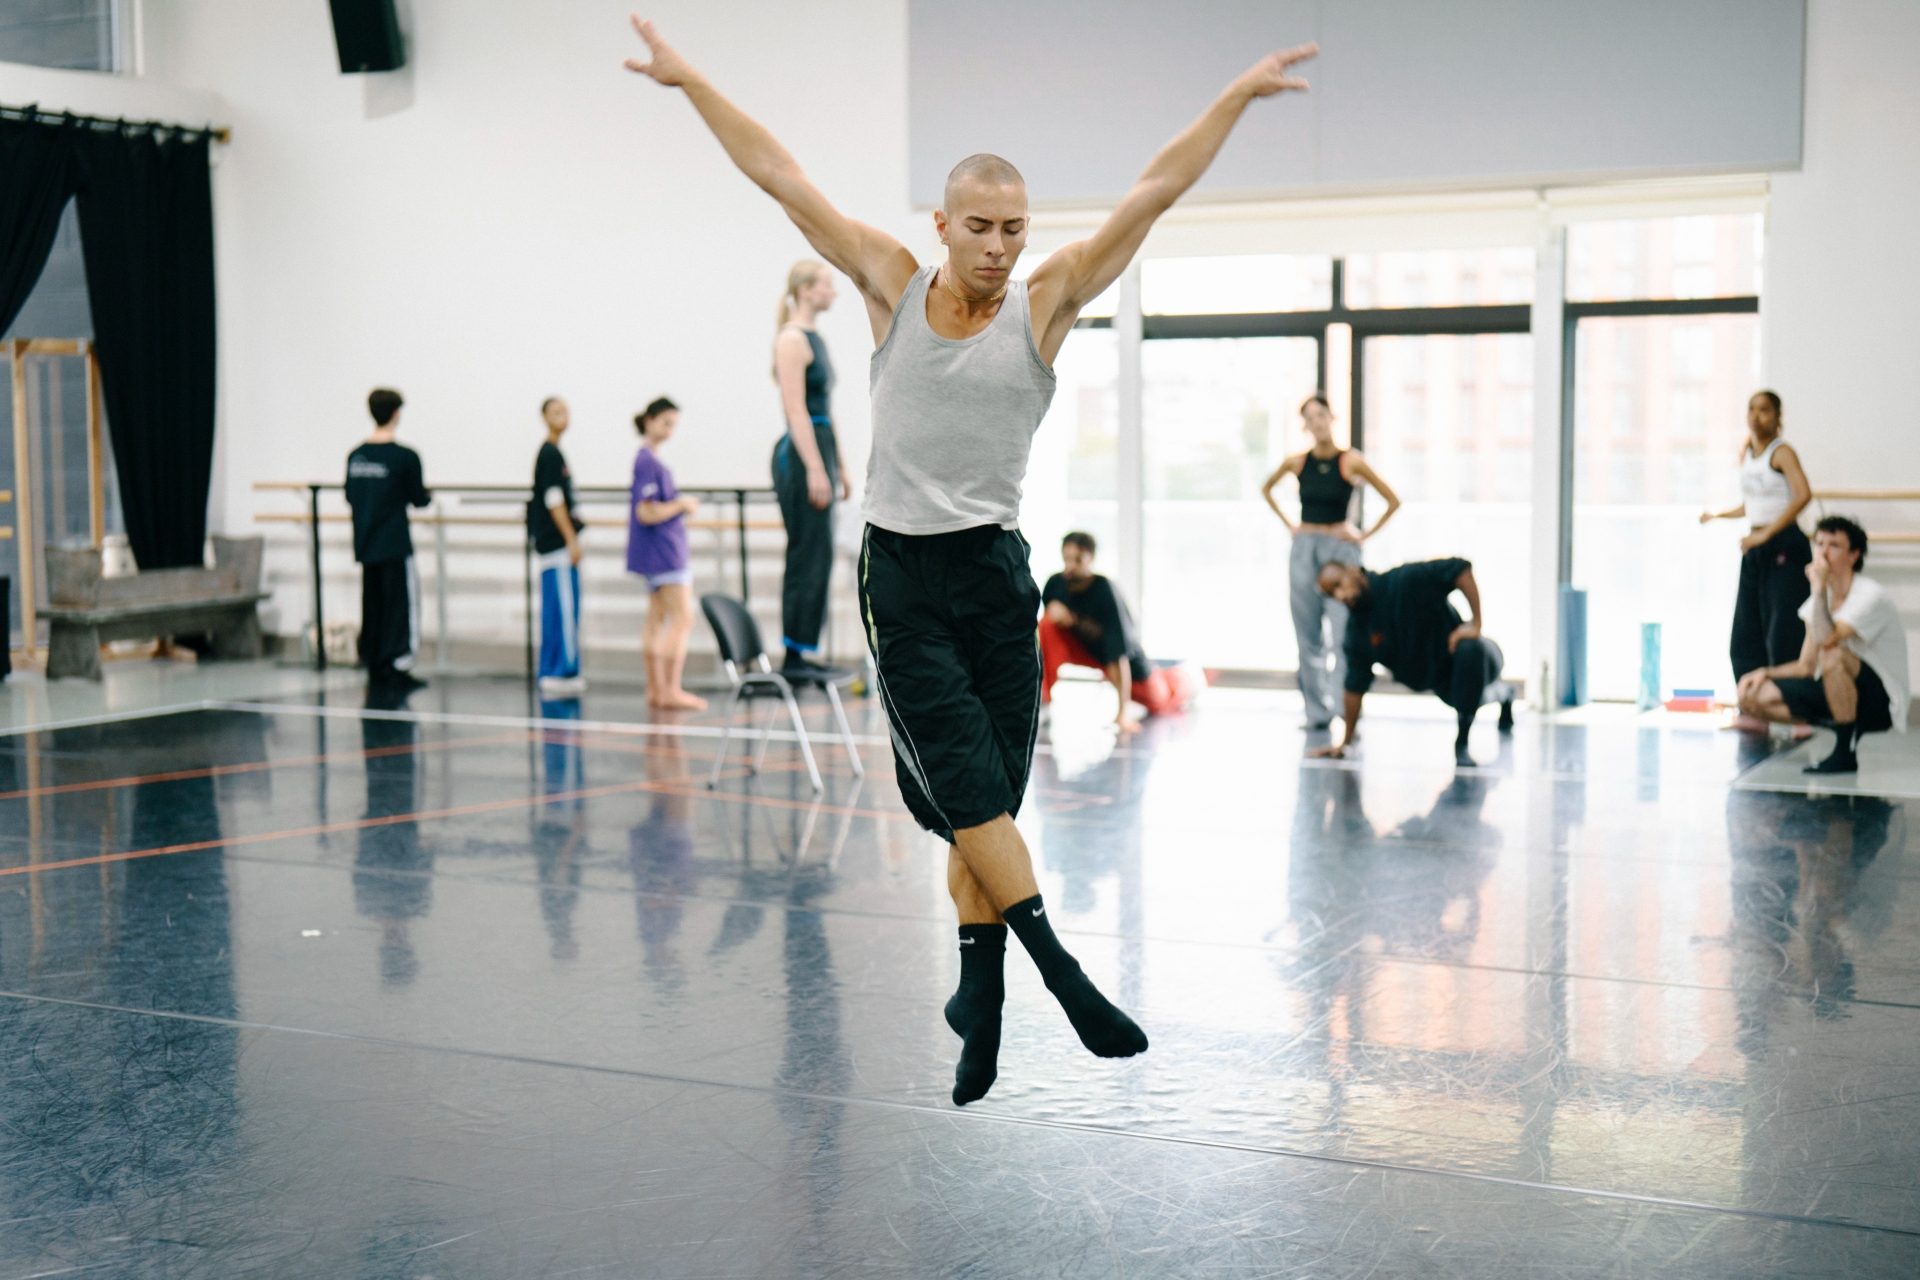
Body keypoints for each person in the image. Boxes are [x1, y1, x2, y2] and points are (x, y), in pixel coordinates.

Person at [627, 17, 1317, 1104]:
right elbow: (781, 175)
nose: (999, 246)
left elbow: (1153, 191)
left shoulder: (1044, 302)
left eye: (1015, 228)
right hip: (901, 579)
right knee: (967, 792)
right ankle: (1062, 972)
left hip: (997, 574)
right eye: (981, 227)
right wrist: (691, 80)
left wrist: (1232, 95)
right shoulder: (890, 283)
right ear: (943, 225)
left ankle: (978, 993)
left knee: (987, 797)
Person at [1261, 393, 1401, 729]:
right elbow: (1267, 489)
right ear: (1305, 426)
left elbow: (1392, 500)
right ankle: (1316, 713)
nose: (1317, 422)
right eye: (1310, 417)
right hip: (1305, 549)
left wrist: (1362, 536)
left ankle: (1345, 708)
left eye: (1321, 414)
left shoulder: (1350, 461)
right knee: (1307, 635)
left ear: (1331, 418)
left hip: (1340, 551)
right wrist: (1291, 526)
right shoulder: (1297, 462)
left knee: (1343, 634)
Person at [1734, 515, 1909, 774]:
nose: (1823, 552)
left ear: (1853, 555)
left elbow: (1828, 639)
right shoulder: (1819, 601)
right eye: (1819, 543)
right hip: (1837, 686)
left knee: (1833, 652)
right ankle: (1839, 721)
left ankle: (1844, 750)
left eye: (1834, 545)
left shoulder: (1870, 595)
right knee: (1752, 696)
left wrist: (1817, 589)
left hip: (1880, 700)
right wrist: (1764, 672)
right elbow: (1806, 665)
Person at [1311, 556, 1515, 768]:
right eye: (1331, 594)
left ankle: (1462, 743)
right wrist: (1345, 742)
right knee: (1467, 698)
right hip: (1442, 682)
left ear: (1354, 571)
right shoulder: (1357, 633)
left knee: (1469, 653)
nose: (1340, 595)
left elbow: (1460, 569)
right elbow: (1354, 686)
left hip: (1479, 656)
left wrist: (1476, 624)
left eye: (1338, 585)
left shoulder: (1405, 580)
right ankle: (1505, 693)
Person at [1701, 390, 1813, 701]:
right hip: (1756, 548)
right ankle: (1752, 705)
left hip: (1784, 547)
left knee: (1783, 630)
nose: (1756, 415)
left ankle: (1794, 705)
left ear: (1777, 417)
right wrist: (1718, 515)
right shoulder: (1749, 454)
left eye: (1764, 409)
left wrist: (1766, 535)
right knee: (1746, 631)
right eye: (1751, 408)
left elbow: (1803, 495)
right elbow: (1753, 504)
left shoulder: (1782, 452)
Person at [772, 260, 851, 675]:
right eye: (826, 285)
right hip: (802, 452)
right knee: (806, 551)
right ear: (805, 290)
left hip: (820, 447)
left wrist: (841, 466)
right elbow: (796, 410)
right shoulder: (791, 340)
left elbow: (826, 411)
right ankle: (793, 654)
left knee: (820, 553)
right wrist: (816, 468)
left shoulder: (816, 338)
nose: (832, 292)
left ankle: (804, 649)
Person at [1040, 531, 1200, 733]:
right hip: (1085, 652)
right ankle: (1042, 700)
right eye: (1067, 559)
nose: (1070, 566)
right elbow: (1044, 641)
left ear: (1090, 559)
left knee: (1159, 701)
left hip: (1123, 664)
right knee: (1046, 624)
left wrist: (1122, 712)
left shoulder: (1105, 590)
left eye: (1078, 560)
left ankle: (1185, 678)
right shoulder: (1055, 584)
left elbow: (1118, 654)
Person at [344, 387, 431, 690]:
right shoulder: (404, 457)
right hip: (393, 543)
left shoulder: (356, 456)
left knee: (373, 603)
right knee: (398, 606)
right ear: (396, 414)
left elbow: (351, 496)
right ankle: (396, 663)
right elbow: (419, 498)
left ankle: (374, 659)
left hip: (366, 542)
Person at [627, 396, 707, 711]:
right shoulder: (648, 461)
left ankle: (657, 690)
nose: (670, 430)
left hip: (656, 553)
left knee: (658, 618)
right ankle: (669, 689)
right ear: (649, 420)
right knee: (682, 618)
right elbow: (645, 512)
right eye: (665, 423)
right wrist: (682, 505)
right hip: (664, 553)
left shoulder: (648, 460)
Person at [529, 395, 587, 696]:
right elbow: (554, 499)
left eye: (565, 410)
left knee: (557, 608)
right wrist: (571, 539)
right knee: (561, 610)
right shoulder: (549, 455)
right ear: (544, 417)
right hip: (556, 547)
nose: (562, 415)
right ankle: (560, 671)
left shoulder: (554, 453)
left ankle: (554, 669)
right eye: (555, 411)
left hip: (555, 545)